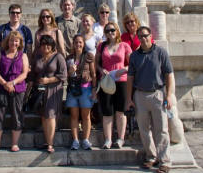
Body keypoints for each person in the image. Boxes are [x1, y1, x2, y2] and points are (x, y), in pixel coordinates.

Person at [126, 26, 175, 173]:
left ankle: (165, 160)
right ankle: (151, 156)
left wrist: (169, 95)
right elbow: (130, 78)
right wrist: (129, 98)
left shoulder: (161, 53)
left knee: (161, 129)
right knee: (144, 129)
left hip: (157, 94)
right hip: (140, 95)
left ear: (150, 36)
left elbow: (169, 75)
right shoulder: (134, 56)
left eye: (145, 36)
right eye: (140, 37)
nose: (143, 39)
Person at [0, 31, 29, 152]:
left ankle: (14, 143)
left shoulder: (23, 55)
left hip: (18, 88)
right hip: (1, 88)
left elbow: (25, 73)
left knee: (17, 115)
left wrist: (13, 83)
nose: (13, 43)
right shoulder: (1, 54)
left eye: (16, 41)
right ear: (7, 42)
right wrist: (5, 83)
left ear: (20, 43)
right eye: (11, 40)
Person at [96, 21, 132, 149]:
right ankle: (108, 139)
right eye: (107, 31)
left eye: (112, 30)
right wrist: (101, 70)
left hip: (121, 80)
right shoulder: (101, 46)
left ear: (117, 31)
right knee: (107, 112)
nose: (110, 33)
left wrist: (125, 69)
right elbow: (97, 63)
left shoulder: (124, 46)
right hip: (106, 81)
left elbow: (133, 63)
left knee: (120, 111)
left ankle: (121, 138)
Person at [31, 35, 67, 153]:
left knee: (50, 115)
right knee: (43, 115)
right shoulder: (38, 57)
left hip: (54, 89)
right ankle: (47, 141)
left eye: (48, 44)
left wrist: (48, 80)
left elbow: (63, 75)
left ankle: (51, 144)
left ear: (52, 46)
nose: (45, 46)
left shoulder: (58, 57)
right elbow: (34, 73)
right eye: (43, 44)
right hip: (40, 90)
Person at [65, 34, 96, 150]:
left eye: (80, 42)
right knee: (74, 116)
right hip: (73, 88)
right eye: (76, 42)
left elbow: (93, 73)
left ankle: (86, 139)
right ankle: (75, 140)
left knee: (86, 116)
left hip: (86, 87)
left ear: (83, 44)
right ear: (73, 44)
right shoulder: (69, 58)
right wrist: (70, 71)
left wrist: (94, 88)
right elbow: (65, 76)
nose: (78, 44)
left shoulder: (88, 56)